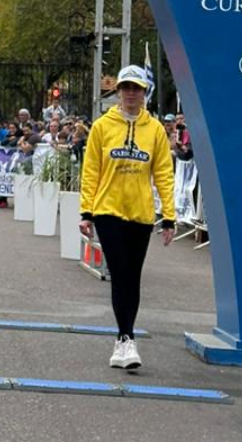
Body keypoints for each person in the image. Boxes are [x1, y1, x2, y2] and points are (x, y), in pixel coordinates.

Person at [79, 65, 175, 369]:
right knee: (119, 274)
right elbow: (91, 169)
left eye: (137, 89)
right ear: (118, 92)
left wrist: (169, 218)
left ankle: (124, 338)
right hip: (108, 211)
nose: (131, 94)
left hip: (141, 214)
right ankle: (125, 338)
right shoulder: (102, 126)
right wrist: (87, 212)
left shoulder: (156, 129)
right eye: (126, 88)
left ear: (145, 93)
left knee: (132, 278)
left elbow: (163, 173)